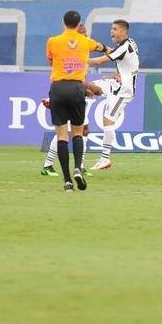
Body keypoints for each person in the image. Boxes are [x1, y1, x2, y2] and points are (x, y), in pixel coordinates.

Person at [45, 10, 108, 191]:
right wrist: (110, 50)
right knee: (78, 133)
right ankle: (78, 168)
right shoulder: (85, 41)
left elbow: (52, 62)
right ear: (79, 23)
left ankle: (66, 181)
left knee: (62, 136)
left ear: (63, 23)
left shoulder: (53, 41)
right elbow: (102, 48)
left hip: (57, 88)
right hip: (77, 87)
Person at [87, 19, 139, 171]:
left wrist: (78, 60)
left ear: (123, 31)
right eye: (112, 29)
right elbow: (129, 62)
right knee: (93, 85)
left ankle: (105, 159)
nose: (112, 31)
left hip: (124, 91)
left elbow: (99, 61)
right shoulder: (130, 43)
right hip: (116, 83)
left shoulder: (123, 47)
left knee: (108, 121)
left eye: (115, 29)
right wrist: (116, 73)